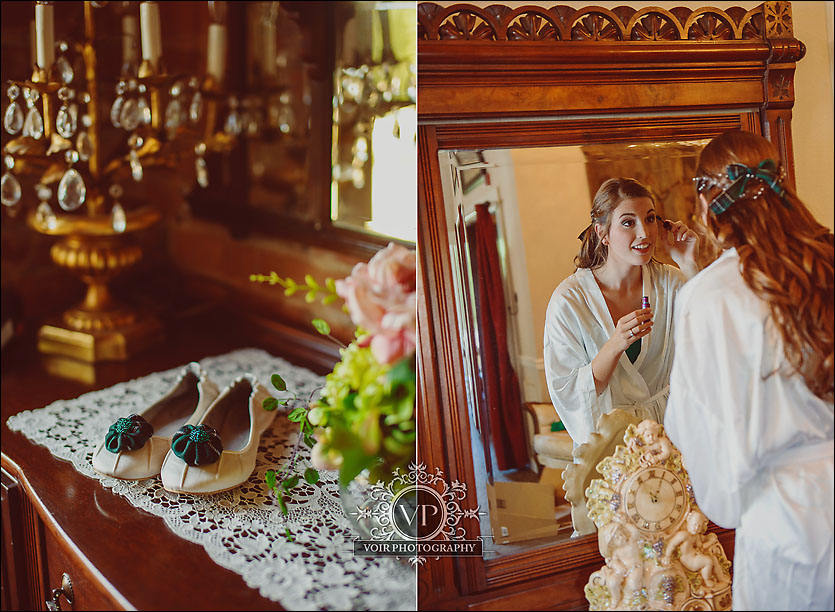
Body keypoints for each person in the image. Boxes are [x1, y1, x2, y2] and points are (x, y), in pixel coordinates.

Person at [664, 130, 834, 611]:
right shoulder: (825, 262)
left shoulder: (709, 296)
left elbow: (701, 427)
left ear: (706, 201)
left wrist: (727, 501)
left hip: (787, 522)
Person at [544, 177, 700, 449]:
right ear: (602, 233)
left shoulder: (671, 283)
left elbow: (711, 344)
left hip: (673, 437)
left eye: (649, 219)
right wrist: (615, 344)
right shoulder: (569, 301)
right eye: (628, 223)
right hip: (612, 447)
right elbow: (569, 393)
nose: (644, 233)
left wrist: (688, 264)